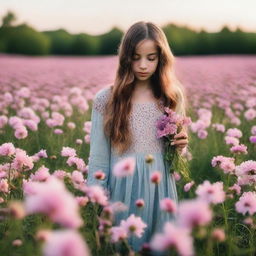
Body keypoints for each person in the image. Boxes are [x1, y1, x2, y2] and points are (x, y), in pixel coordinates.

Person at [86, 21, 189, 254]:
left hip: (160, 188)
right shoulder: (107, 98)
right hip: (122, 189)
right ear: (125, 58)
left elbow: (174, 157)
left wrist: (181, 148)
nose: (143, 65)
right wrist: (98, 199)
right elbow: (99, 157)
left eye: (151, 58)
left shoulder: (171, 97)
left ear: (161, 58)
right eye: (135, 57)